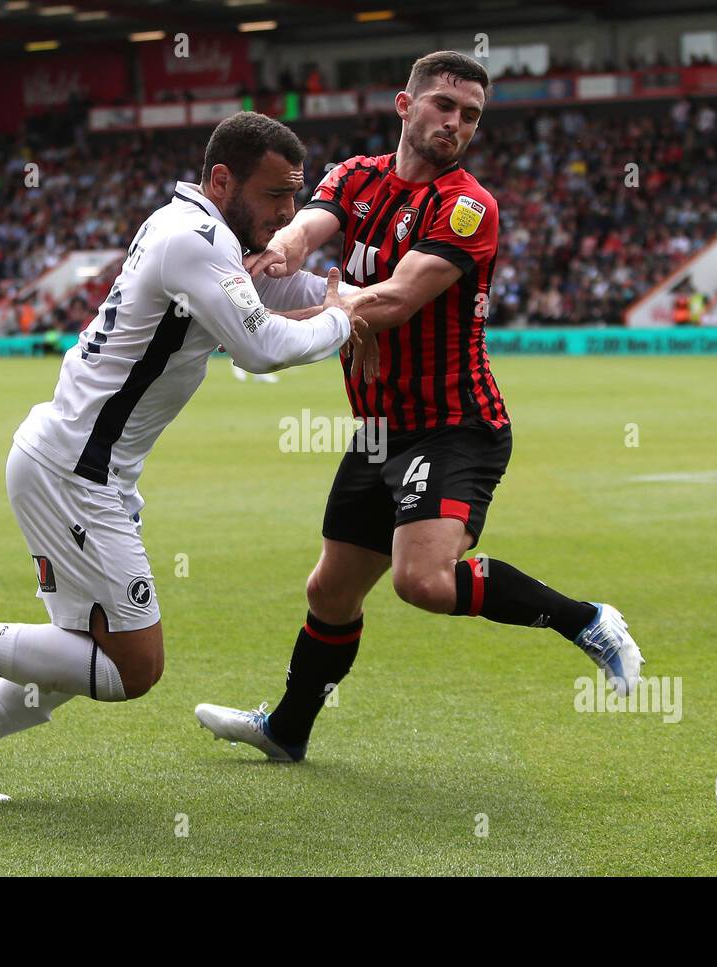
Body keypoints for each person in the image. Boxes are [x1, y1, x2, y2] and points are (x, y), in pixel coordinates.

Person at [0, 112, 375, 801]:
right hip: (75, 473)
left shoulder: (194, 229)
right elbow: (260, 347)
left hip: (72, 465)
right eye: (274, 196)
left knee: (81, 649)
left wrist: (345, 295)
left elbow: (276, 292)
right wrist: (345, 320)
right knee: (130, 666)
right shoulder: (195, 240)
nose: (288, 213)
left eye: (296, 196)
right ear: (221, 180)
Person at [194, 51, 644, 764]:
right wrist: (270, 258)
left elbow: (400, 298)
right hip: (377, 429)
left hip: (454, 423)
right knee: (331, 590)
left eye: (470, 115)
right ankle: (287, 729)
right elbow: (304, 230)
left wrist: (321, 307)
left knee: (422, 580)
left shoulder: (469, 206)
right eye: (443, 105)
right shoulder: (354, 176)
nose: (456, 123)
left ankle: (587, 619)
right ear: (406, 106)